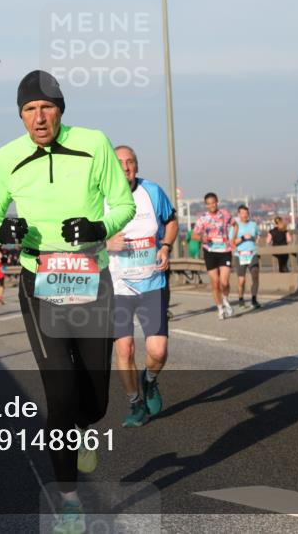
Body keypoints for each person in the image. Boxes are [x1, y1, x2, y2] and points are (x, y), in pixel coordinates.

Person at [0, 70, 135, 534]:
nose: (38, 117)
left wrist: (98, 228)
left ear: (60, 110)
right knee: (60, 396)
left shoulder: (93, 144)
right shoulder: (8, 156)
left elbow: (121, 203)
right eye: (29, 109)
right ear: (21, 115)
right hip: (37, 279)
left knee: (97, 400)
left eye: (46, 107)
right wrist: (0, 231)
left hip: (91, 278)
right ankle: (68, 500)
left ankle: (84, 429)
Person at [106, 145, 177, 429]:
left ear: (137, 165)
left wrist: (166, 246)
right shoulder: (99, 198)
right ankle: (135, 403)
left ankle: (149, 382)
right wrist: (106, 244)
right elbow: (81, 241)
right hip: (117, 287)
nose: (125, 167)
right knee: (125, 350)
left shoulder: (153, 192)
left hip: (152, 283)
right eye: (120, 162)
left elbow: (171, 222)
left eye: (131, 162)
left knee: (158, 352)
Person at [192, 193, 235, 319]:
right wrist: (202, 238)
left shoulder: (225, 214)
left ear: (217, 202)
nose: (211, 205)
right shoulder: (202, 219)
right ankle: (220, 308)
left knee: (225, 282)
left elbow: (235, 225)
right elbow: (194, 235)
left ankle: (226, 300)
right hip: (210, 252)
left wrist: (232, 239)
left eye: (213, 202)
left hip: (225, 251)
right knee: (215, 283)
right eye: (209, 203)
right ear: (206, 205)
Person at [232, 205, 262, 311]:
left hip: (252, 254)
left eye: (246, 213)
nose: (245, 215)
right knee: (241, 280)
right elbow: (232, 242)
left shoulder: (253, 225)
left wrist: (257, 241)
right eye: (243, 213)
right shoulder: (235, 226)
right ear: (238, 214)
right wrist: (243, 238)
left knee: (255, 275)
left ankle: (254, 299)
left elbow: (259, 234)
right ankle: (241, 299)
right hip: (240, 255)